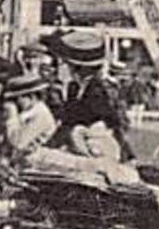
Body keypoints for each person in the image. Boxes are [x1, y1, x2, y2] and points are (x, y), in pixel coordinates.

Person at [40, 28, 134, 160]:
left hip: (100, 152)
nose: (56, 69)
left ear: (75, 67)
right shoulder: (74, 88)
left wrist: (48, 146)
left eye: (61, 63)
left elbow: (73, 125)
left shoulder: (97, 93)